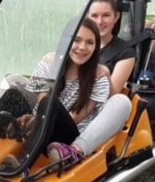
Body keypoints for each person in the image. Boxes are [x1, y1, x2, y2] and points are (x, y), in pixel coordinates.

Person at [10, 17, 132, 166]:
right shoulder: (48, 63)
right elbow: (41, 101)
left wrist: (38, 123)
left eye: (90, 42)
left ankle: (24, 163)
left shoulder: (98, 77)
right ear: (66, 41)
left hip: (67, 135)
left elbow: (75, 117)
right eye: (76, 40)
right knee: (12, 94)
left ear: (96, 47)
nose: (82, 47)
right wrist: (31, 122)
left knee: (50, 103)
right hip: (39, 126)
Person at [87, 0, 136, 95]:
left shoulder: (126, 53)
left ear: (116, 17)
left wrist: (106, 73)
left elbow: (112, 93)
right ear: (87, 17)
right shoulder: (77, 46)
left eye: (106, 15)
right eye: (94, 16)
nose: (99, 21)